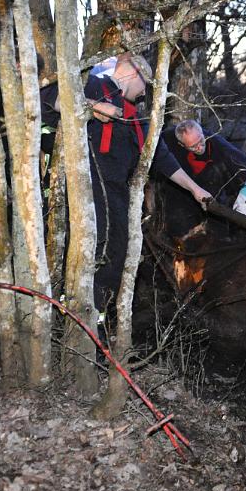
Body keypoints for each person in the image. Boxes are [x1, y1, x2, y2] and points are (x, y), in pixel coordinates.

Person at [40, 53, 211, 316]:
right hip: (82, 188)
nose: (144, 93)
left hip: (115, 195)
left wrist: (195, 189)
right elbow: (46, 96)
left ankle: (93, 319)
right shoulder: (92, 83)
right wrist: (93, 106)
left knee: (115, 254)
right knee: (93, 252)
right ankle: (70, 313)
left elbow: (161, 158)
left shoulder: (136, 118)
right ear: (134, 72)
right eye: (145, 84)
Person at [159, 119, 246, 237]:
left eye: (201, 141)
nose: (199, 148)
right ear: (181, 144)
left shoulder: (219, 145)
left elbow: (244, 165)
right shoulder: (166, 140)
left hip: (214, 189)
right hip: (183, 190)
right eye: (193, 146)